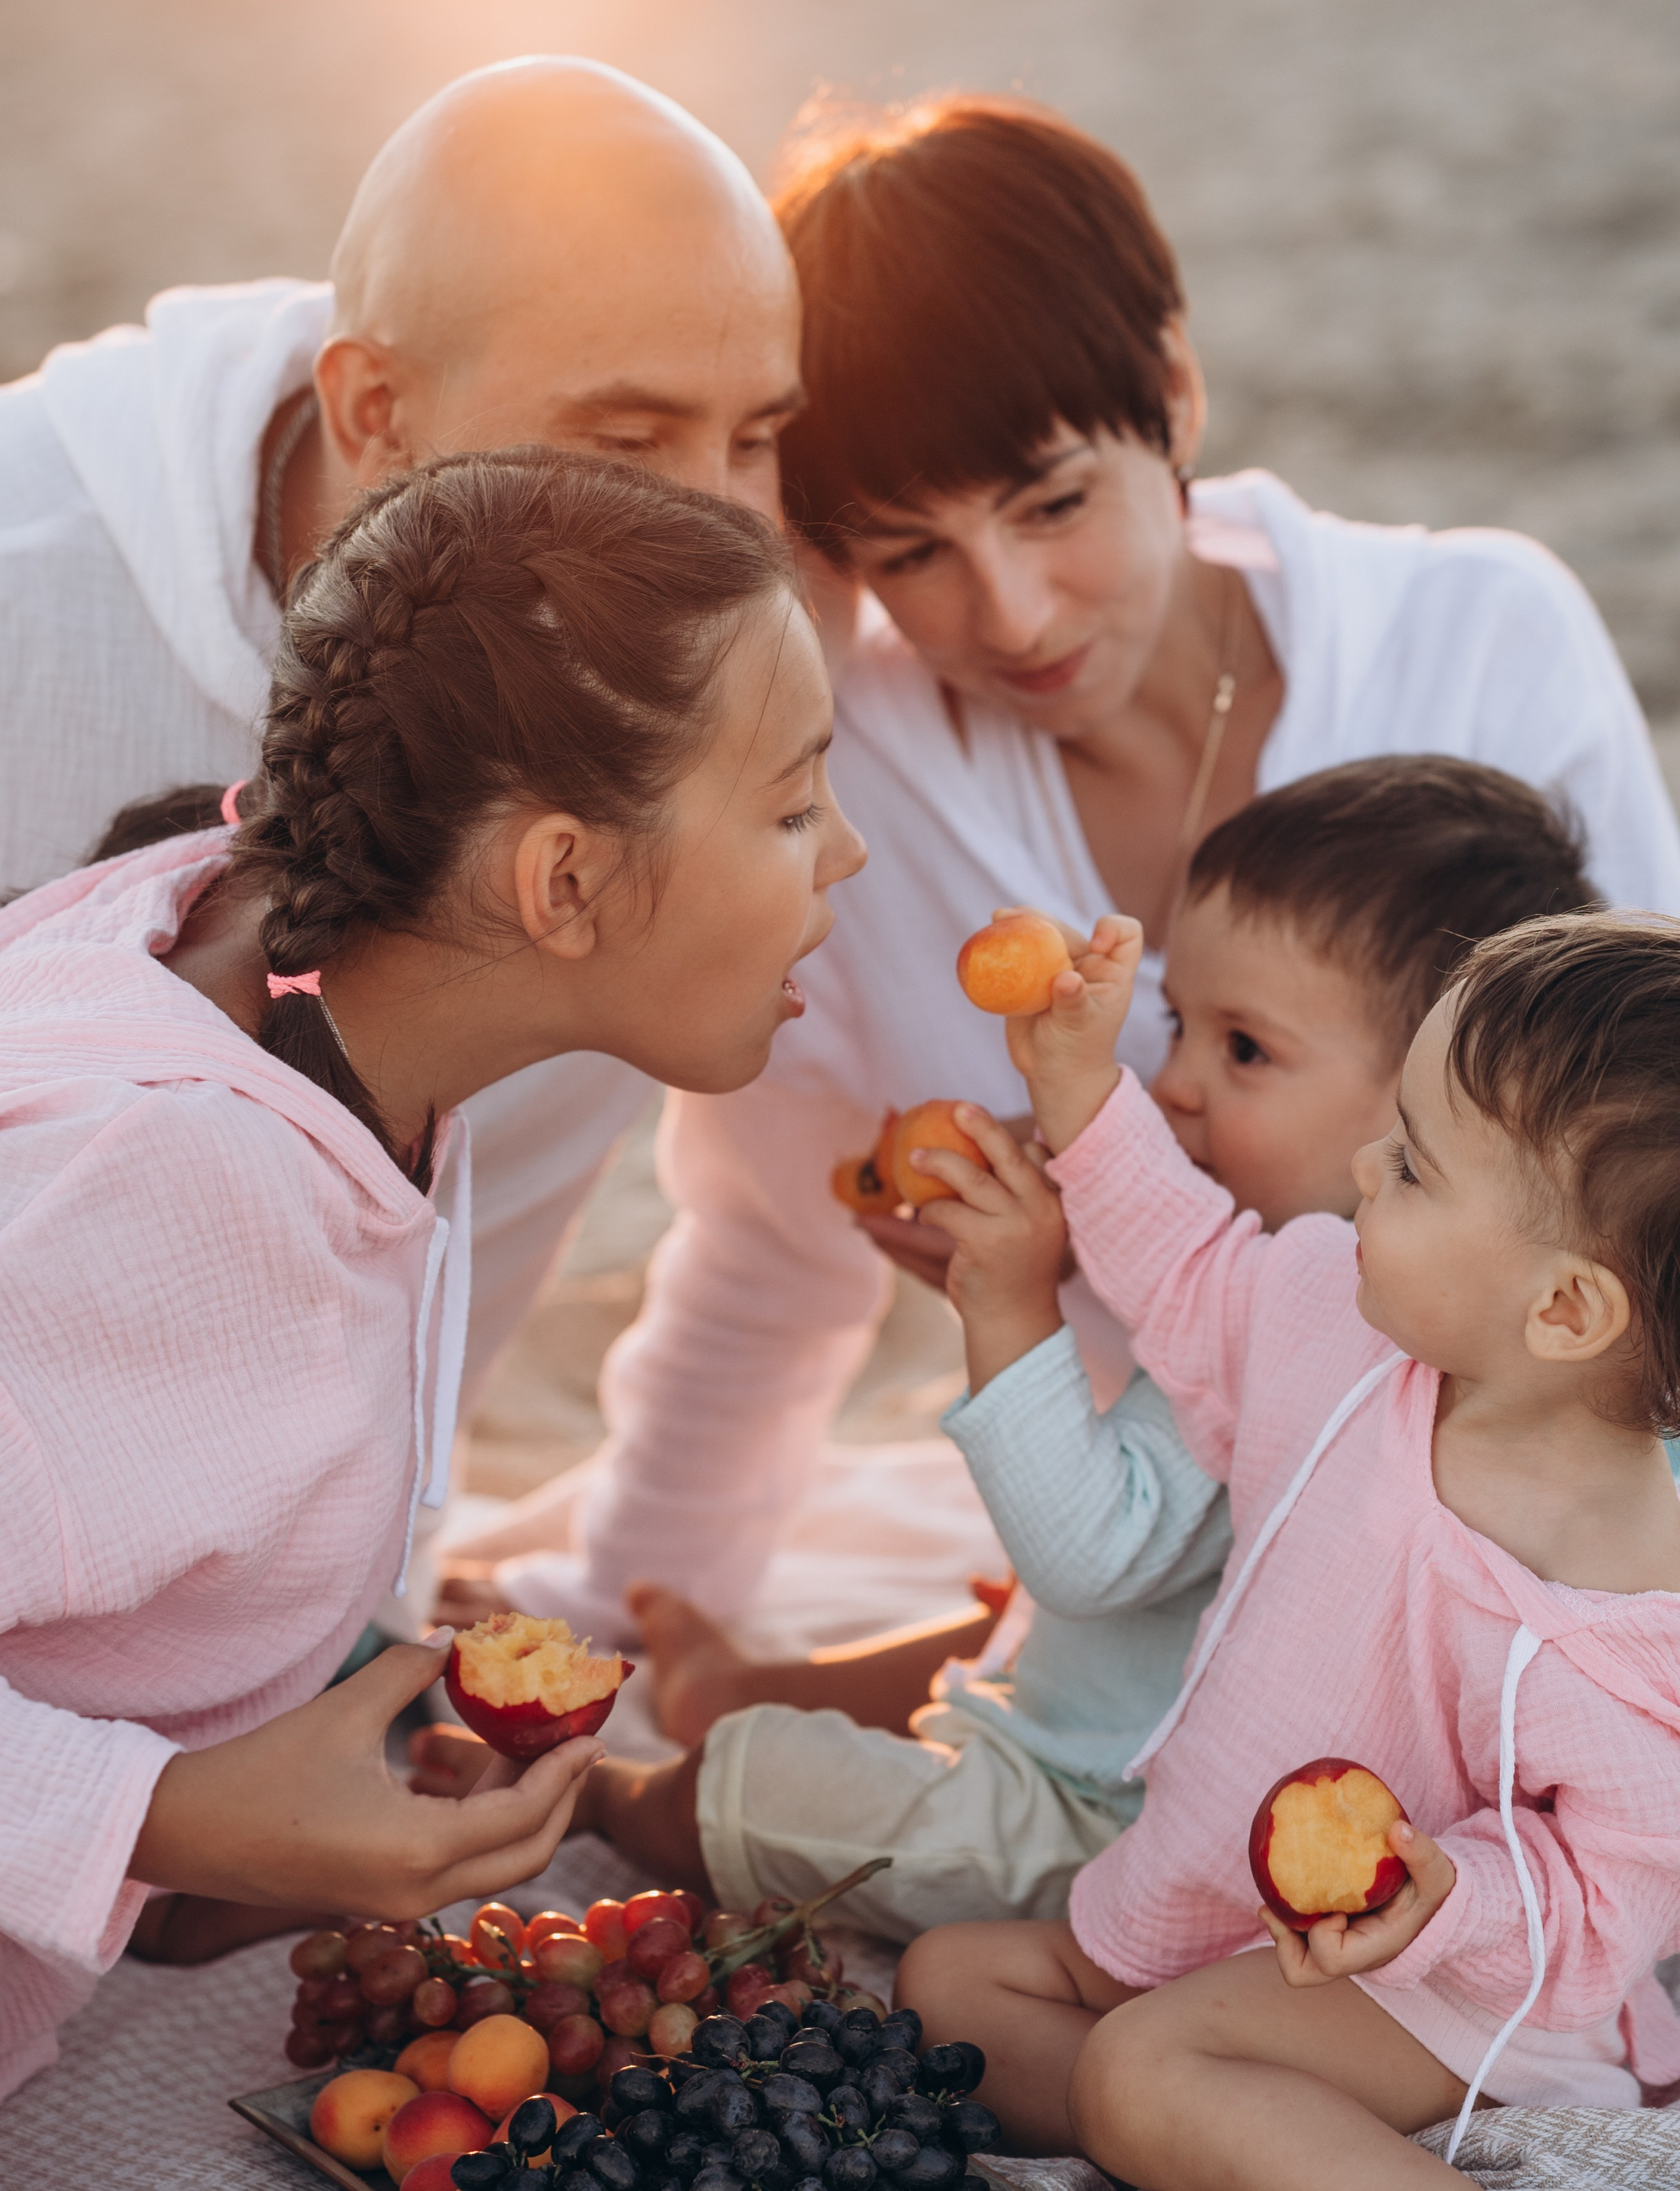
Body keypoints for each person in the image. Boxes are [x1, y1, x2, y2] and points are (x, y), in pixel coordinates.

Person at [490, 94, 1680, 1651]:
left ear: (1172, 393)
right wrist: (621, 1606)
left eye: (1053, 504)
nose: (1014, 614)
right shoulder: (851, 782)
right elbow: (767, 1252)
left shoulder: (1475, 641)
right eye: (909, 552)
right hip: (1154, 1533)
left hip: (1554, 1527)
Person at [0, 447, 862, 2102]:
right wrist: (170, 1821)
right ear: (561, 882)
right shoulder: (154, 1187)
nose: (847, 858)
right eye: (790, 802)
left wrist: (278, 1775)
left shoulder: (271, 953)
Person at [513, 759, 1599, 1935]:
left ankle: (613, 1801)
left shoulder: (1326, 1329)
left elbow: (1091, 1550)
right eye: (1180, 1020)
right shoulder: (1421, 1300)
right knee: (1000, 1622)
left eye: (1245, 1052)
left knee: (774, 1785)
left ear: (1430, 1112)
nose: (1171, 1084)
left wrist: (1012, 1303)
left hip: (1120, 1811)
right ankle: (736, 1685)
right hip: (1110, 1706)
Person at [898, 905, 1680, 2191]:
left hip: (1444, 1989)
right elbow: (1183, 1266)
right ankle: (1267, 2156)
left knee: (1134, 2075)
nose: (1357, 1175)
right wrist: (1072, 1085)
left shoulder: (1614, 1607)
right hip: (1219, 1906)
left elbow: (1611, 1894)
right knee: (951, 1985)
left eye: (1410, 1165)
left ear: (1566, 1307)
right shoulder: (1341, 1317)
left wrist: (1443, 1891)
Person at [0, 53, 803, 1446]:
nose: (722, 526)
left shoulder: (747, 664)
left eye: (757, 436)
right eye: (626, 435)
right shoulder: (29, 587)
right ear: (375, 411)